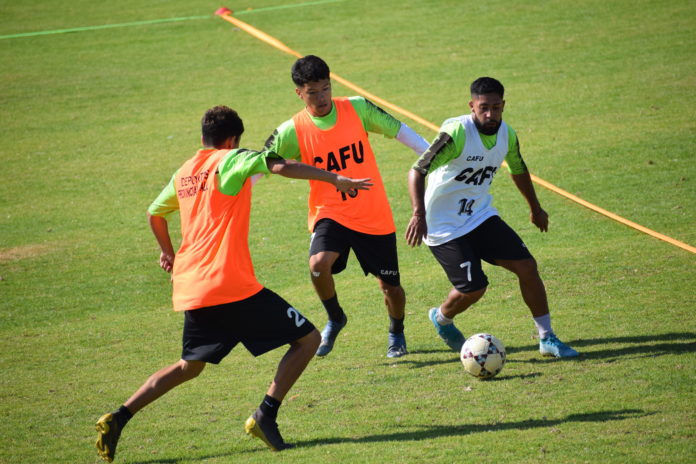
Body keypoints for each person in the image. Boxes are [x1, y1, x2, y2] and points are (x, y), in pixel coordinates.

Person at [95, 105, 373, 462]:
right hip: (229, 285)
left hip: (193, 286)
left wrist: (168, 253)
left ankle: (118, 417)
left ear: (203, 139)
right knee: (308, 340)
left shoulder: (184, 173)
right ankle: (265, 415)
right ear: (232, 140)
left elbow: (155, 213)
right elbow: (280, 165)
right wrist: (334, 179)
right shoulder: (231, 159)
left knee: (188, 366)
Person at [263, 55, 430, 358]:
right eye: (313, 92)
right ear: (299, 93)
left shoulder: (357, 107)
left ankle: (396, 331)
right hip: (330, 212)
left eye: (325, 88)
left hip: (373, 214)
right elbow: (263, 162)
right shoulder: (292, 129)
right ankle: (335, 317)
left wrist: (432, 155)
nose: (322, 97)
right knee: (317, 265)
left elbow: (399, 130)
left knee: (391, 288)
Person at [405, 77, 578, 358]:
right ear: (472, 106)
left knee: (528, 267)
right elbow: (417, 170)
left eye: (496, 108)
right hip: (443, 224)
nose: (490, 115)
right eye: (483, 108)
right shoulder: (457, 133)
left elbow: (518, 168)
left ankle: (547, 338)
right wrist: (418, 214)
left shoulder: (507, 134)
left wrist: (535, 207)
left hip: (479, 214)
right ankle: (442, 317)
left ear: (503, 106)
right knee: (474, 289)